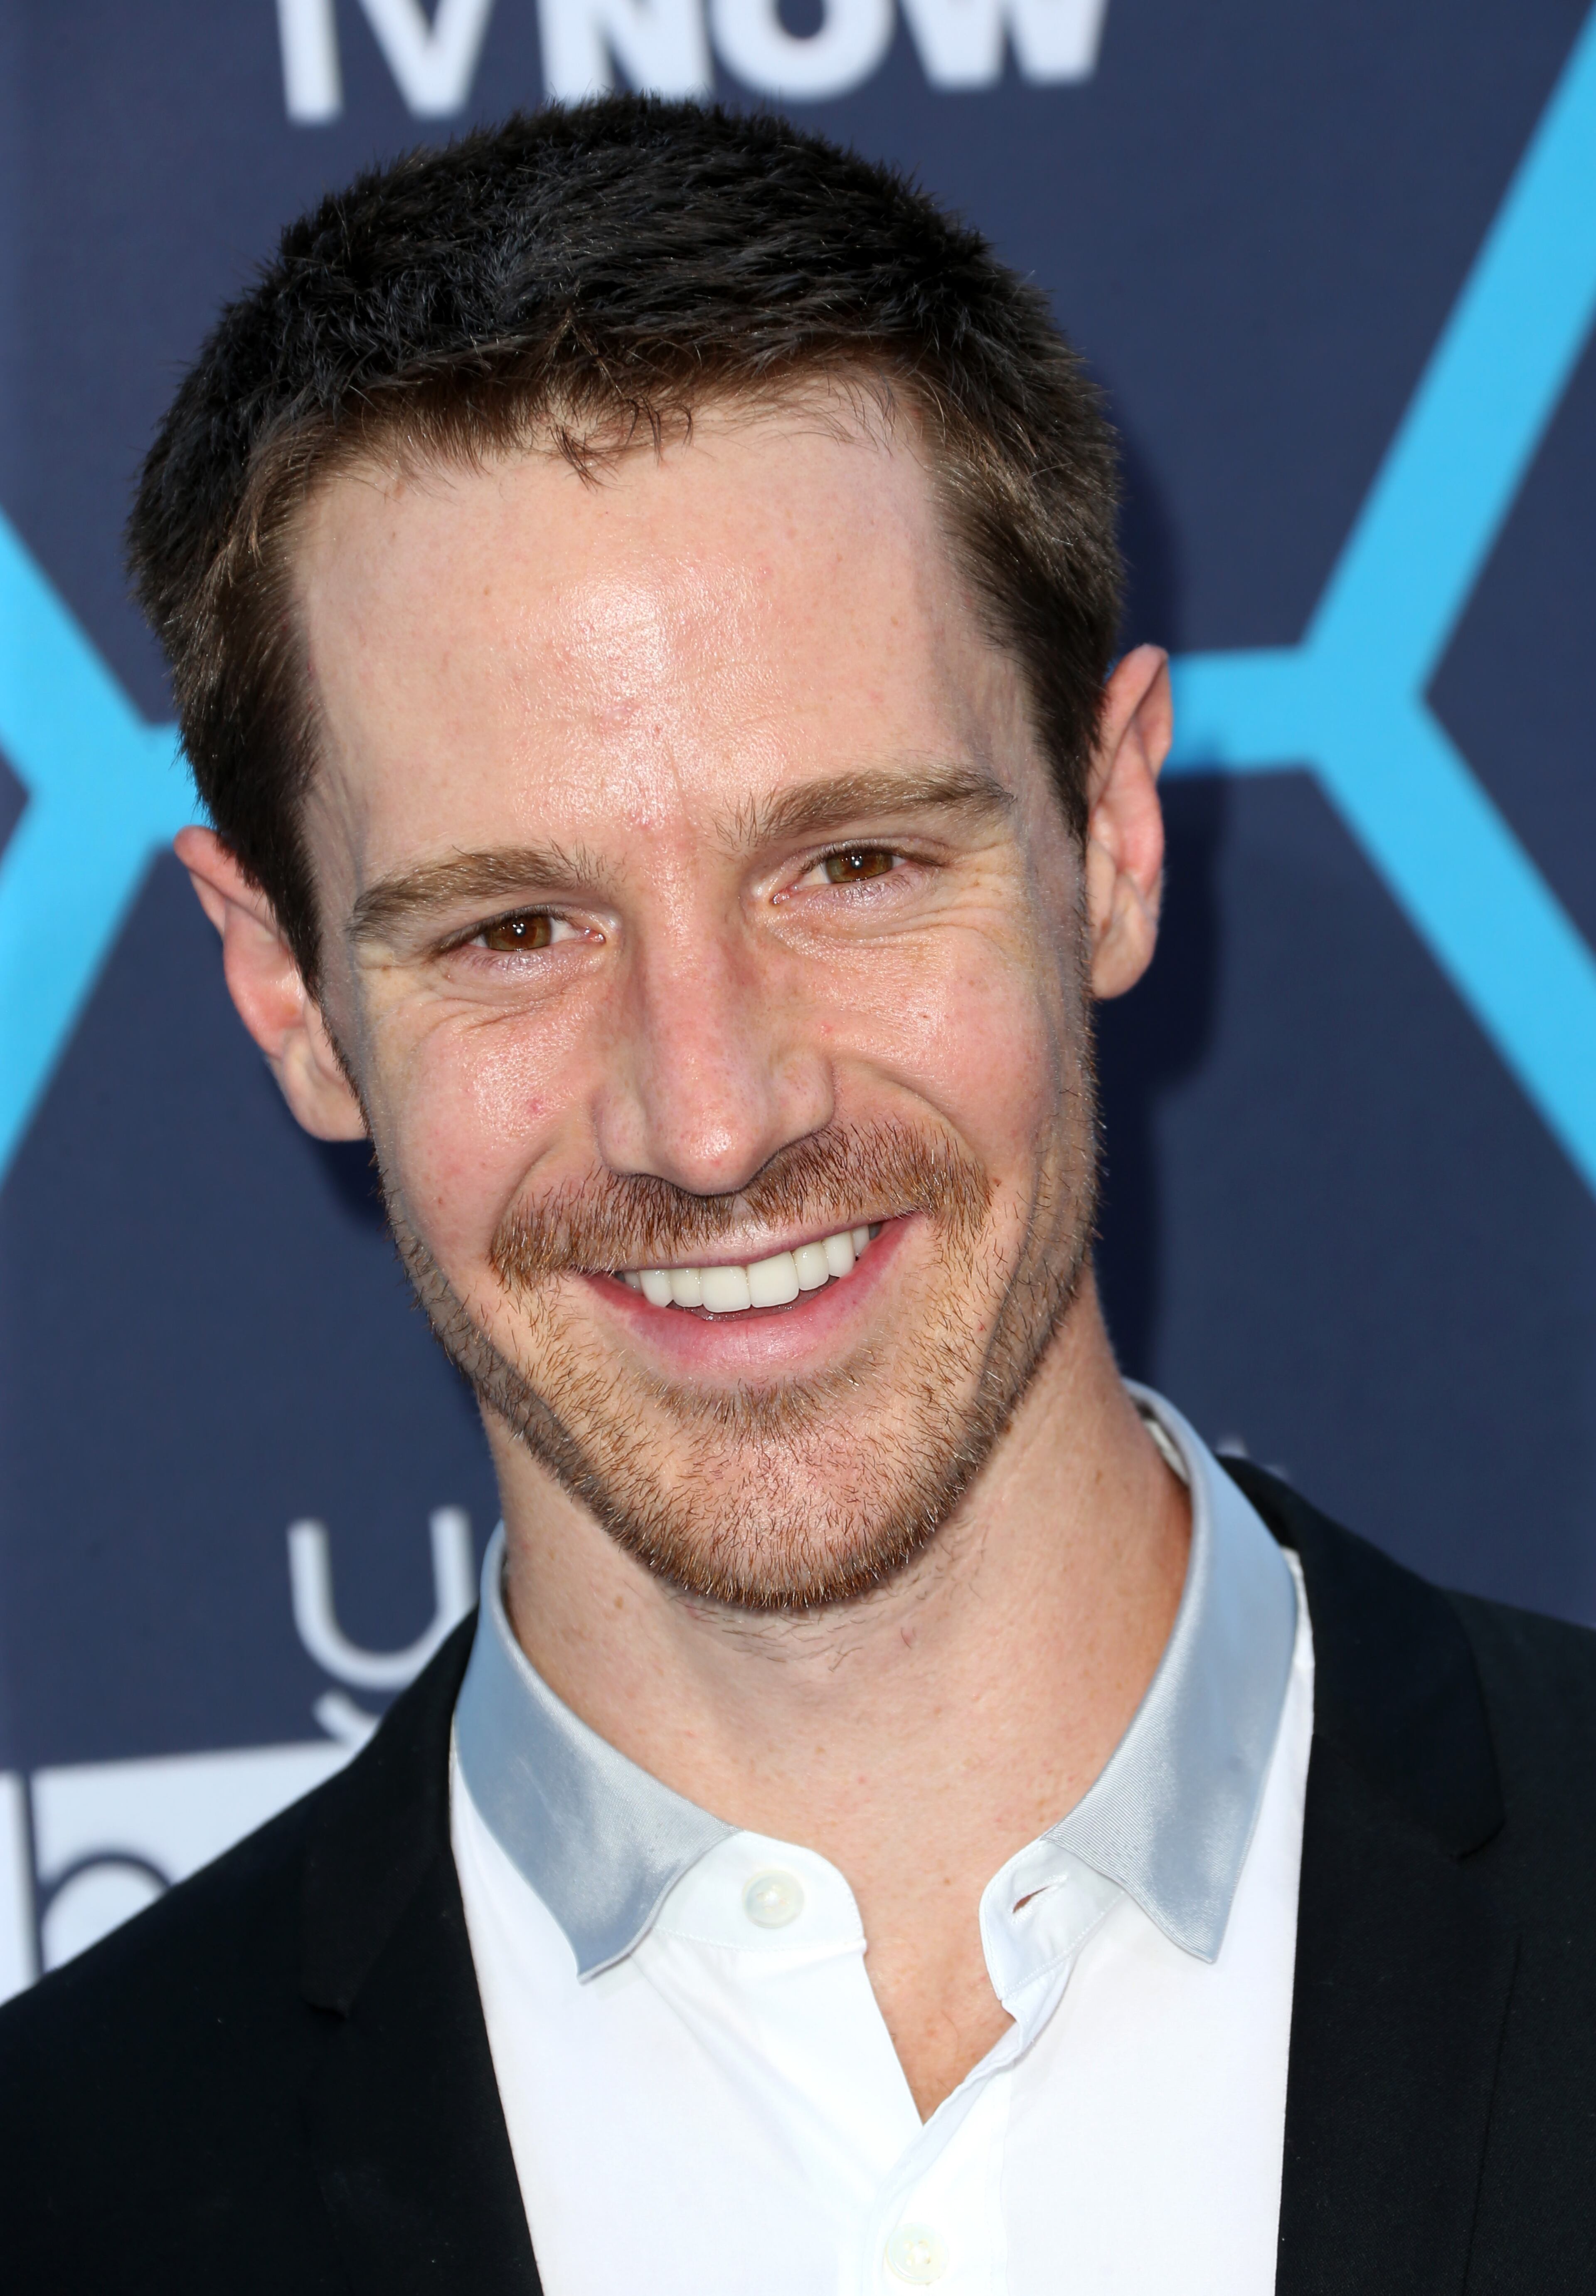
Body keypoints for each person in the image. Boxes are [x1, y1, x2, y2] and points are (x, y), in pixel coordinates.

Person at [2, 97, 1594, 2294]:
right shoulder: (64, 2190)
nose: (716, 1113)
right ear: (283, 989)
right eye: (513, 931)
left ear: (1113, 835)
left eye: (852, 864)